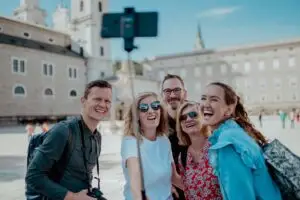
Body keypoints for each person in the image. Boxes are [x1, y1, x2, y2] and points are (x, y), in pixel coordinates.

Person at [25, 80, 113, 200]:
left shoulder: (97, 137)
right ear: (83, 101)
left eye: (107, 101)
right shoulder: (63, 131)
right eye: (97, 99)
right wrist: (73, 197)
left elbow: (82, 174)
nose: (103, 105)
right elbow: (33, 176)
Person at [200, 82, 282, 200]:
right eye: (203, 98)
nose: (206, 104)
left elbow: (241, 196)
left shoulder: (227, 142)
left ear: (228, 110)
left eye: (214, 100)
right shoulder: (235, 132)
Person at [121, 92, 181, 200]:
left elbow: (174, 177)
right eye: (143, 108)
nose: (151, 111)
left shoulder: (164, 141)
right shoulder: (130, 142)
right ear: (137, 116)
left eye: (155, 106)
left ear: (160, 111)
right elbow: (135, 181)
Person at [176, 101, 223, 200]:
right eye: (183, 118)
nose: (188, 119)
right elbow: (187, 191)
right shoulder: (183, 156)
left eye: (193, 115)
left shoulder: (218, 146)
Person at [161, 74, 187, 200]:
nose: (172, 95)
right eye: (167, 91)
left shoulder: (198, 119)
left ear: (185, 93)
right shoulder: (156, 125)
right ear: (162, 95)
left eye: (177, 90)